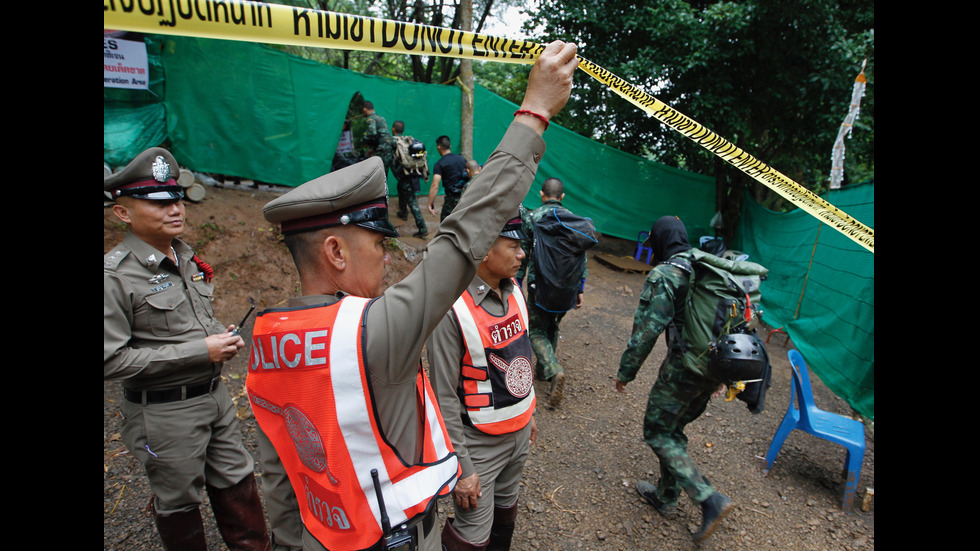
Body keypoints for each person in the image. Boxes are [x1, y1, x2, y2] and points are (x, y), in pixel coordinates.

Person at [246, 41, 580, 551]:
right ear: (335, 251)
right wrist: (533, 113)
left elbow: (281, 473)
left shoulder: (267, 338)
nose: (387, 257)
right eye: (379, 244)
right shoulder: (375, 330)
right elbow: (464, 235)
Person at [103, 147, 271, 551]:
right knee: (178, 501)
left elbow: (186, 322)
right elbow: (112, 360)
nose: (175, 209)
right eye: (158, 203)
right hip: (163, 413)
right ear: (122, 213)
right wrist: (201, 350)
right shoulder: (115, 276)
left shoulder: (185, 256)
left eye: (176, 199)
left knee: (237, 480)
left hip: (214, 399)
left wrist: (217, 335)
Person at [614, 215, 734, 544]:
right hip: (714, 370)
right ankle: (665, 497)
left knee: (656, 431)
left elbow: (647, 330)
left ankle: (709, 498)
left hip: (683, 370)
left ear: (660, 242)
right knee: (674, 429)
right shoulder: (709, 268)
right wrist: (724, 376)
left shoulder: (667, 273)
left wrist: (626, 372)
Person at [426, 214, 537, 551]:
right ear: (485, 249)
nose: (522, 254)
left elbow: (522, 356)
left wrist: (530, 413)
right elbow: (443, 396)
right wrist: (463, 467)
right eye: (514, 246)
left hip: (519, 435)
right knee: (473, 536)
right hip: (480, 447)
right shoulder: (450, 310)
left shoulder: (515, 290)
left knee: (506, 513)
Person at [518, 178, 593, 407]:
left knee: (536, 330)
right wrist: (580, 288)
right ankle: (542, 371)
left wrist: (515, 284)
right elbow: (582, 256)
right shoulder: (574, 220)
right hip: (568, 286)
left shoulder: (532, 218)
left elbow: (523, 254)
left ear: (542, 194)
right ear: (562, 197)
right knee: (553, 324)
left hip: (539, 285)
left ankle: (552, 368)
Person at [391, 119, 429, 238]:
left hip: (405, 175)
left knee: (412, 201)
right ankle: (403, 212)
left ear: (393, 129)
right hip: (413, 174)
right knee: (401, 188)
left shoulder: (394, 142)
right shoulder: (409, 141)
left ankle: (422, 228)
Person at [426, 135, 469, 221]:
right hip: (465, 197)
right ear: (450, 146)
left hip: (451, 199)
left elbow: (435, 185)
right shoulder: (462, 159)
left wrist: (430, 203)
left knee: (445, 226)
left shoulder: (440, 164)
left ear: (439, 147)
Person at [362, 100, 394, 174]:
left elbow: (372, 133)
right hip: (389, 147)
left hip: (382, 148)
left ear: (364, 109)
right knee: (385, 172)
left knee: (378, 172)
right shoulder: (380, 118)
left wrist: (364, 139)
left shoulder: (371, 118)